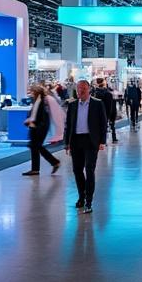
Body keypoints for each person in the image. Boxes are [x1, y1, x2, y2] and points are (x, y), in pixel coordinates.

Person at [65, 80, 107, 213]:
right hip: (76, 141)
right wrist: (67, 143)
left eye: (83, 88)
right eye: (78, 89)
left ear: (89, 89)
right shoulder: (72, 105)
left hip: (91, 141)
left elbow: (103, 123)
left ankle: (89, 201)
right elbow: (68, 125)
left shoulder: (97, 104)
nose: (80, 91)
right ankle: (81, 196)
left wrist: (102, 141)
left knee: (89, 170)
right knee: (77, 170)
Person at [22, 84, 61, 177]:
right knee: (35, 146)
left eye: (31, 91)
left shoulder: (43, 101)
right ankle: (39, 167)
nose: (30, 93)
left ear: (36, 92)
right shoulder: (37, 100)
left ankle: (53, 162)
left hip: (39, 127)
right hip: (35, 126)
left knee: (36, 146)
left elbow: (43, 116)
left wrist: (36, 125)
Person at [94, 78, 119, 142]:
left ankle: (102, 140)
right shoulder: (108, 92)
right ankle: (113, 138)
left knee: (101, 127)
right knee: (111, 125)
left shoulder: (95, 93)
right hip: (109, 111)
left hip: (101, 112)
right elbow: (111, 103)